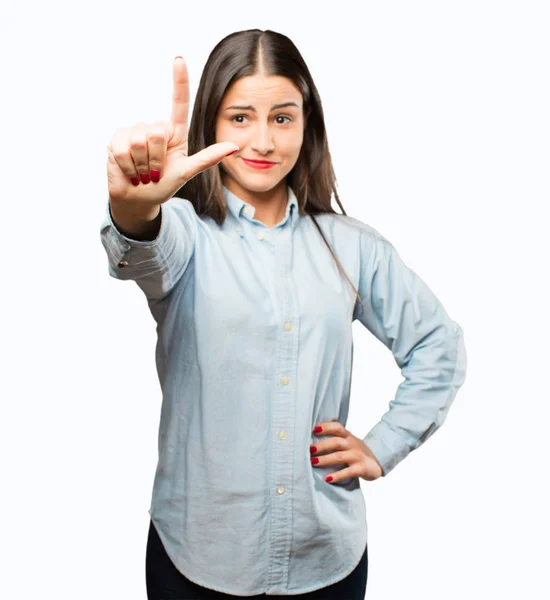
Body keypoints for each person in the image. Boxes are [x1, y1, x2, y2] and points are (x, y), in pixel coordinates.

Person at [100, 28, 467, 600]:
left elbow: (438, 347)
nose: (264, 141)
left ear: (307, 123)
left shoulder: (352, 247)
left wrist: (384, 443)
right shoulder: (184, 234)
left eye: (283, 117)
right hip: (197, 556)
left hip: (325, 560)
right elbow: (139, 250)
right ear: (210, 126)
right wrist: (132, 206)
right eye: (240, 117)